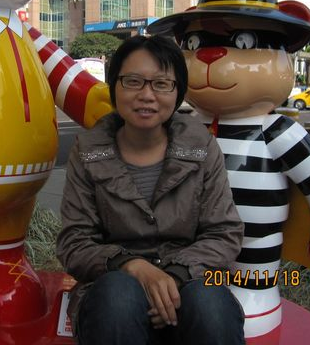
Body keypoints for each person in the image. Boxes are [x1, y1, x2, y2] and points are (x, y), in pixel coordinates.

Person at [56, 35, 245, 345]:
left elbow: (224, 233)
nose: (146, 95)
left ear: (177, 91)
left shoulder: (202, 147)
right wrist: (133, 267)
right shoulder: (87, 151)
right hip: (113, 287)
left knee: (209, 305)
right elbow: (74, 242)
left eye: (161, 84)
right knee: (118, 297)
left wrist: (174, 277)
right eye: (133, 82)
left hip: (190, 282)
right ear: (114, 87)